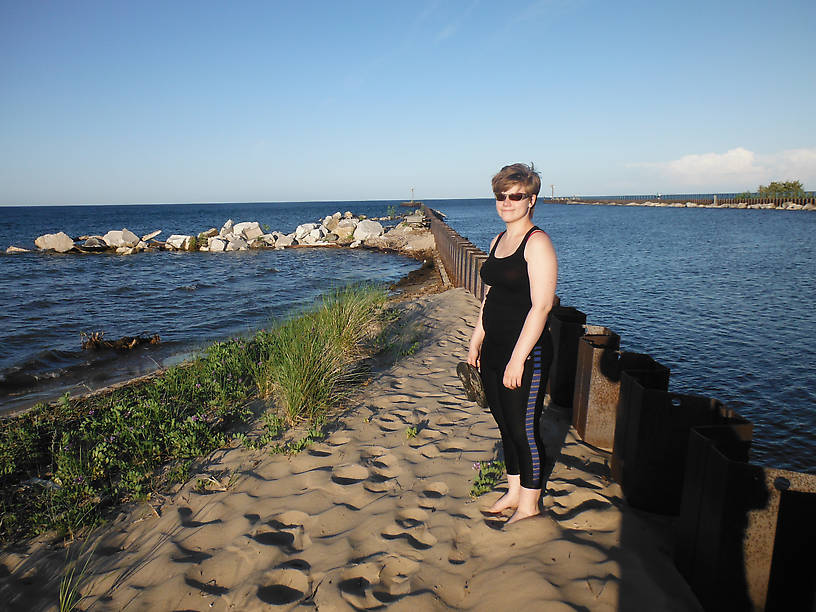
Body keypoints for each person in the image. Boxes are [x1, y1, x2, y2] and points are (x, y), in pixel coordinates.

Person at [467, 162, 558, 524]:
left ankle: (530, 505)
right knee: (505, 426)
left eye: (515, 196)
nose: (506, 202)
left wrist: (518, 360)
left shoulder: (538, 242)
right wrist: (477, 339)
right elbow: (490, 297)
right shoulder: (496, 241)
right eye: (501, 196)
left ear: (531, 199)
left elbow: (542, 305)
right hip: (493, 348)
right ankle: (514, 491)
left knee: (524, 429)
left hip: (526, 351)